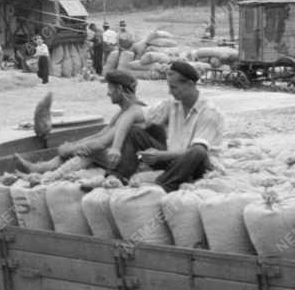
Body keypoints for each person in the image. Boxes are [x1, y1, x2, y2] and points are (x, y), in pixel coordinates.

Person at [15, 70, 147, 179]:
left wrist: (71, 149)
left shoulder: (133, 112)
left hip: (131, 163)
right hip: (118, 157)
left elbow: (101, 143)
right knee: (83, 148)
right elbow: (101, 133)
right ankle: (42, 169)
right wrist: (74, 145)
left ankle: (47, 175)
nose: (108, 93)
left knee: (90, 150)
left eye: (110, 88)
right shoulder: (123, 111)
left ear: (119, 89)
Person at [120, 60, 224, 191]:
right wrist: (111, 143)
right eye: (169, 87)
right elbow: (139, 115)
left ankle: (161, 185)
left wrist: (161, 155)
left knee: (197, 152)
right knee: (135, 132)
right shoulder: (173, 104)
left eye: (174, 87)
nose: (170, 92)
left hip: (200, 166)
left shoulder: (209, 112)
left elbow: (196, 152)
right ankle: (119, 177)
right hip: (173, 162)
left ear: (190, 84)